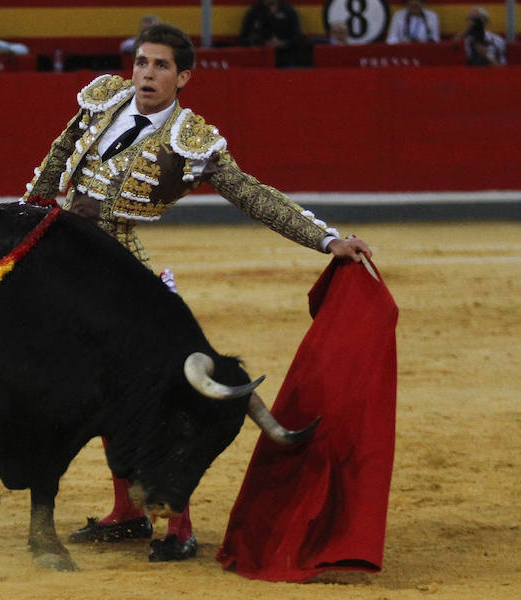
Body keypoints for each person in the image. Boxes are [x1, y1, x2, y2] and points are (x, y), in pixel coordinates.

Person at [20, 23, 371, 562]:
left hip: (120, 270)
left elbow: (254, 196)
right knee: (88, 391)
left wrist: (326, 240)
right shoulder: (104, 99)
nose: (146, 74)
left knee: (149, 391)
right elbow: (57, 159)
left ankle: (175, 522)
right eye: (141, 63)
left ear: (183, 77)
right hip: (62, 256)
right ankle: (128, 511)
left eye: (161, 66)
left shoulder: (193, 141)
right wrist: (27, 223)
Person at [238, 0, 304, 66]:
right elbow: (242, 40)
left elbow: (297, 39)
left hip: (285, 59)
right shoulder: (254, 12)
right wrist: (263, 43)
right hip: (260, 60)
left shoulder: (288, 11)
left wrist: (283, 43)